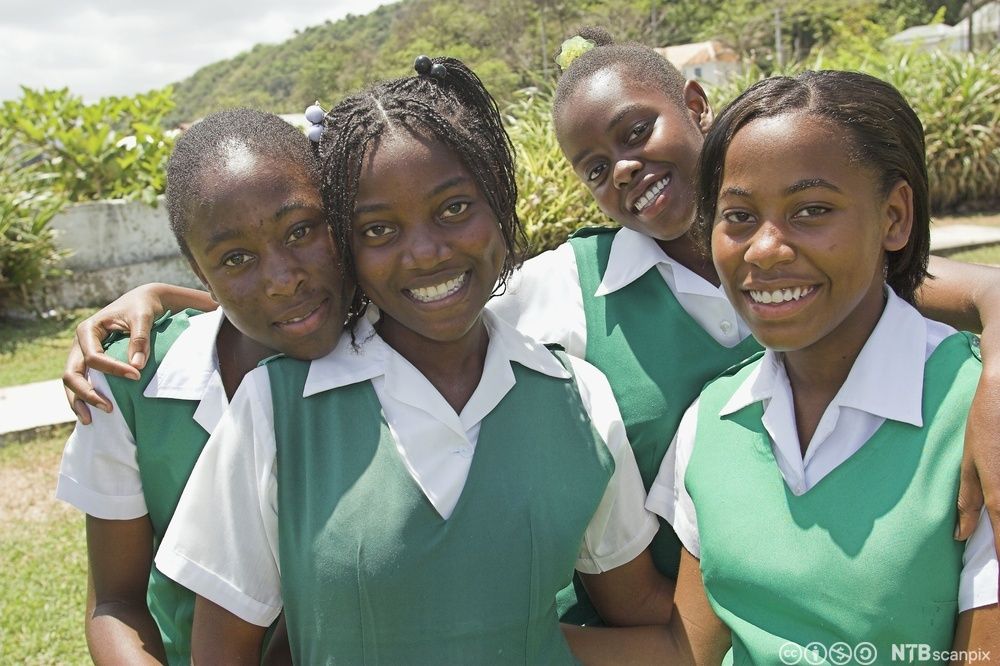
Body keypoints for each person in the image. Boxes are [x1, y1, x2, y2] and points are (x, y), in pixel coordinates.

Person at [153, 56, 671, 664]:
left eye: (454, 209)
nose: (426, 253)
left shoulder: (578, 398)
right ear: (345, 244)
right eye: (378, 230)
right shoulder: (277, 410)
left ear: (499, 202)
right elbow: (223, 651)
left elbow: (639, 610)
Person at [488, 26, 1000, 623]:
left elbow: (977, 287)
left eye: (636, 132)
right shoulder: (563, 289)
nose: (623, 168)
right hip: (662, 626)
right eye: (595, 169)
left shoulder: (811, 263)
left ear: (696, 106)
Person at [637, 70, 998, 664]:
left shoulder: (977, 414)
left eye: (811, 210)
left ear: (894, 217)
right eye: (739, 216)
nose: (765, 248)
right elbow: (694, 649)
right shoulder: (712, 420)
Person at [54, 108, 352, 664]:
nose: (283, 278)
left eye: (303, 230)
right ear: (198, 269)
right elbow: (115, 602)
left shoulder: (398, 351)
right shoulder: (131, 386)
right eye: (235, 259)